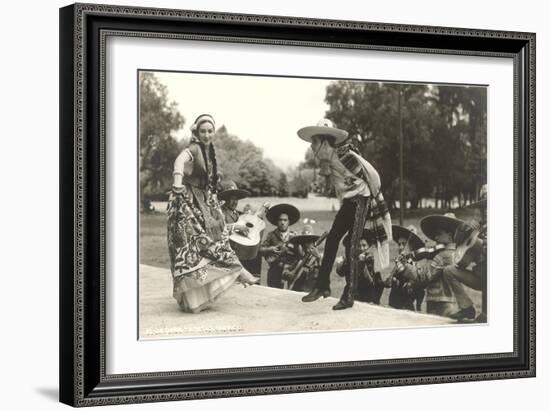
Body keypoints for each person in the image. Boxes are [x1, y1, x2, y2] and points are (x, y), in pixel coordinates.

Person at [297, 119, 392, 310]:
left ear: (325, 142)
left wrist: (373, 197)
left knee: (351, 245)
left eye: (315, 143)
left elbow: (373, 176)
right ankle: (322, 286)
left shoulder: (345, 155)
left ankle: (349, 295)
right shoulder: (329, 162)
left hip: (362, 200)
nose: (312, 147)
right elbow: (340, 188)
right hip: (350, 202)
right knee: (332, 239)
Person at [167, 114, 258, 314]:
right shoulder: (194, 149)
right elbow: (179, 160)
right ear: (197, 132)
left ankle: (226, 277)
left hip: (203, 201)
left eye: (210, 131)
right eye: (203, 131)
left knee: (214, 239)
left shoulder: (209, 152)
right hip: (187, 202)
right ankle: (236, 271)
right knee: (194, 245)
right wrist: (177, 183)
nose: (207, 135)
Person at [442, 184, 488, 322]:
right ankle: (467, 308)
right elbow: (457, 242)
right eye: (483, 207)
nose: (486, 211)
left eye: (489, 206)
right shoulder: (477, 226)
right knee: (448, 270)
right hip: (479, 276)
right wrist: (464, 228)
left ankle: (487, 313)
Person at [418, 213, 463, 317]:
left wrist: (408, 268)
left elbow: (427, 276)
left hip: (439, 302)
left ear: (450, 235)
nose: (435, 237)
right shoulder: (456, 253)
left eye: (439, 233)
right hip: (450, 300)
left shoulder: (443, 256)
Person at [218, 180, 263, 277]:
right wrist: (235, 226)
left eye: (237, 199)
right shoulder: (220, 212)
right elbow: (218, 228)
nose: (235, 202)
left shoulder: (237, 214)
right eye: (232, 199)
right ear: (225, 199)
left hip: (238, 253)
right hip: (224, 254)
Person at [384, 225, 426, 311]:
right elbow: (389, 284)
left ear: (411, 246)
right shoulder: (399, 262)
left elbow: (420, 282)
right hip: (393, 306)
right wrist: (390, 280)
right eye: (399, 244)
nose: (400, 247)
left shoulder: (416, 264)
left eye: (404, 244)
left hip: (407, 308)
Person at [336, 234, 385, 305]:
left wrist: (363, 264)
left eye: (364, 245)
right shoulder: (350, 261)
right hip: (352, 296)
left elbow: (376, 283)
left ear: (368, 246)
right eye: (358, 246)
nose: (361, 248)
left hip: (368, 297)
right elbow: (341, 273)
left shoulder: (373, 261)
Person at [259, 203, 300, 289]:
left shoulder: (294, 236)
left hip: (290, 272)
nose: (282, 222)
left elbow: (300, 255)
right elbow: (261, 250)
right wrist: (270, 249)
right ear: (277, 222)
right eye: (280, 220)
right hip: (274, 271)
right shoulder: (271, 235)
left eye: (285, 220)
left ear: (289, 222)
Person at [282, 225, 323, 292]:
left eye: (310, 242)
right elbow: (284, 272)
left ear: (313, 243)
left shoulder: (318, 258)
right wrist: (290, 275)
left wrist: (318, 259)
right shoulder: (295, 256)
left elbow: (321, 278)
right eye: (304, 242)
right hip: (293, 292)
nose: (307, 245)